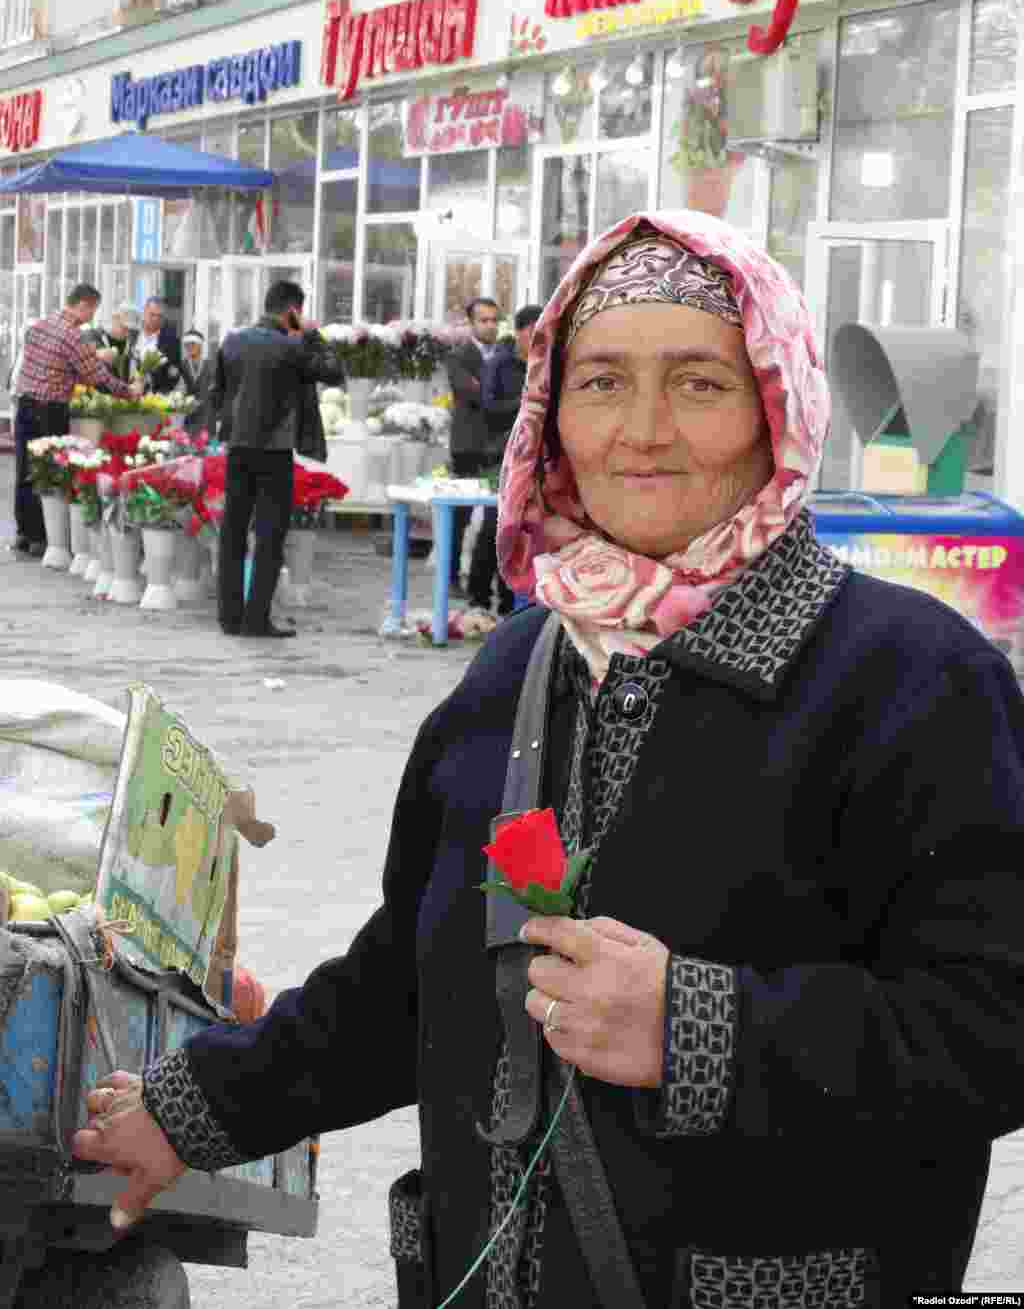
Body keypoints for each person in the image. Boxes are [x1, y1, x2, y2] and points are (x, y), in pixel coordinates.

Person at [73, 213, 1024, 1306]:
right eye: (603, 383)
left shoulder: (909, 678)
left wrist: (701, 1026)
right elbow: (410, 984)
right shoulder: (521, 664)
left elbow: (990, 1027)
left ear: (776, 406)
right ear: (551, 415)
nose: (643, 430)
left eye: (701, 385)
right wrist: (190, 1112)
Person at [209, 279, 342, 639]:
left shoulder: (233, 340)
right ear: (292, 311)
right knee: (269, 535)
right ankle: (256, 620)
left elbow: (218, 392)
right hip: (274, 450)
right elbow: (333, 372)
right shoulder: (292, 346)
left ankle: (229, 617)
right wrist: (311, 335)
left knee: (233, 532)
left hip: (238, 446)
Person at [13, 283, 138, 555]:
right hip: (49, 410)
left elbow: (58, 364)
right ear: (84, 304)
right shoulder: (72, 335)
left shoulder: (41, 325)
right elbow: (97, 377)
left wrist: (88, 360)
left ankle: (24, 532)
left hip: (24, 405)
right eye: (93, 310)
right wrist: (128, 391)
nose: (92, 318)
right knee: (49, 472)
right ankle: (42, 538)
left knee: (24, 470)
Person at [467, 303, 543, 617]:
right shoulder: (500, 364)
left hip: (537, 457)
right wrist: (527, 401)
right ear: (521, 332)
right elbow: (488, 407)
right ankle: (479, 599)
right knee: (496, 525)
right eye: (534, 331)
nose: (541, 338)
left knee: (528, 529)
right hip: (500, 455)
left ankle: (516, 602)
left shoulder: (549, 364)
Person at [445, 296, 499, 593]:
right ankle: (452, 578)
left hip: (497, 446)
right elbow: (471, 392)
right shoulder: (458, 356)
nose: (490, 326)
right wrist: (493, 389)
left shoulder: (504, 353)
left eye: (494, 320)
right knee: (460, 515)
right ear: (471, 323)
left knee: (496, 516)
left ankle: (485, 580)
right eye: (484, 320)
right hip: (467, 445)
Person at [127, 296, 182, 395]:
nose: (156, 319)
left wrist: (160, 393)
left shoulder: (172, 341)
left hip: (156, 398)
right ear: (144, 313)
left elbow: (174, 373)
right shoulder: (130, 335)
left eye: (159, 316)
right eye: (152, 315)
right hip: (127, 393)